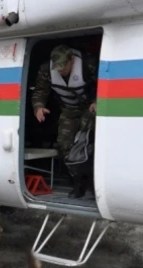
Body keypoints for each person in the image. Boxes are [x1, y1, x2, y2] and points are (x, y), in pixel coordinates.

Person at [31, 44, 99, 198]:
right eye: (58, 67)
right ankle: (78, 183)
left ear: (72, 60)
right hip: (69, 109)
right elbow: (40, 91)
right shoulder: (46, 70)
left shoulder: (89, 64)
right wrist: (38, 106)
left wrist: (97, 100)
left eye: (63, 66)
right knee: (64, 144)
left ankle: (95, 181)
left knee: (86, 141)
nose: (60, 70)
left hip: (91, 108)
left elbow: (106, 82)